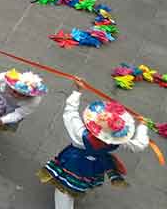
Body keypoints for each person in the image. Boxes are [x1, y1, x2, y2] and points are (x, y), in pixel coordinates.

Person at [39, 80, 149, 209]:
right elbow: (139, 144)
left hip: (74, 162)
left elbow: (70, 113)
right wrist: (142, 126)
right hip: (95, 165)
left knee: (64, 187)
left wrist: (77, 91)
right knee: (81, 182)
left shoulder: (81, 135)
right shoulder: (117, 141)